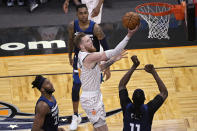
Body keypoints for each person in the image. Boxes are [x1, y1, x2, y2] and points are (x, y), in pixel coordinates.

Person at [74, 26, 139, 131]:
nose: (90, 41)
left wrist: (113, 60)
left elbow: (99, 68)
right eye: (87, 41)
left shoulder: (84, 56)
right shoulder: (89, 57)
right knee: (103, 129)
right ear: (81, 46)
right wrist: (129, 35)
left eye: (90, 39)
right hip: (91, 99)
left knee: (97, 128)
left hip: (94, 96)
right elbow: (115, 51)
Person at [67, 4, 110, 130]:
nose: (84, 15)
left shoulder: (95, 28)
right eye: (81, 13)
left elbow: (106, 48)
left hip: (94, 63)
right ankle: (75, 116)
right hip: (80, 61)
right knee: (76, 87)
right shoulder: (72, 26)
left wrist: (107, 67)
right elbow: (70, 40)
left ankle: (97, 111)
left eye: (86, 12)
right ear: (77, 14)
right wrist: (69, 55)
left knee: (94, 88)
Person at [118, 55, 168, 131]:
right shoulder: (149, 109)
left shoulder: (126, 106)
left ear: (132, 99)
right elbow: (164, 92)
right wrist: (153, 72)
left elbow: (122, 85)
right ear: (145, 99)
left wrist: (134, 66)